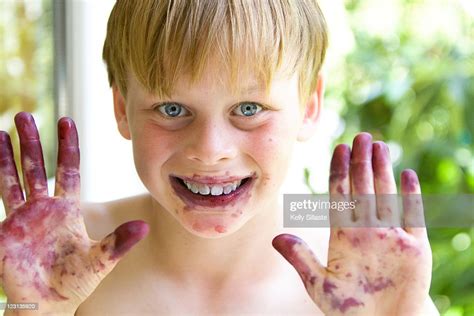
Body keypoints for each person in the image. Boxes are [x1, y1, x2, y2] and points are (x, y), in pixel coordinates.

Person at [0, 0, 439, 315]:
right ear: (122, 109)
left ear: (309, 105)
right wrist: (28, 312)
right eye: (172, 109)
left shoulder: (363, 275)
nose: (209, 150)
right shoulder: (70, 256)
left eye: (248, 110)